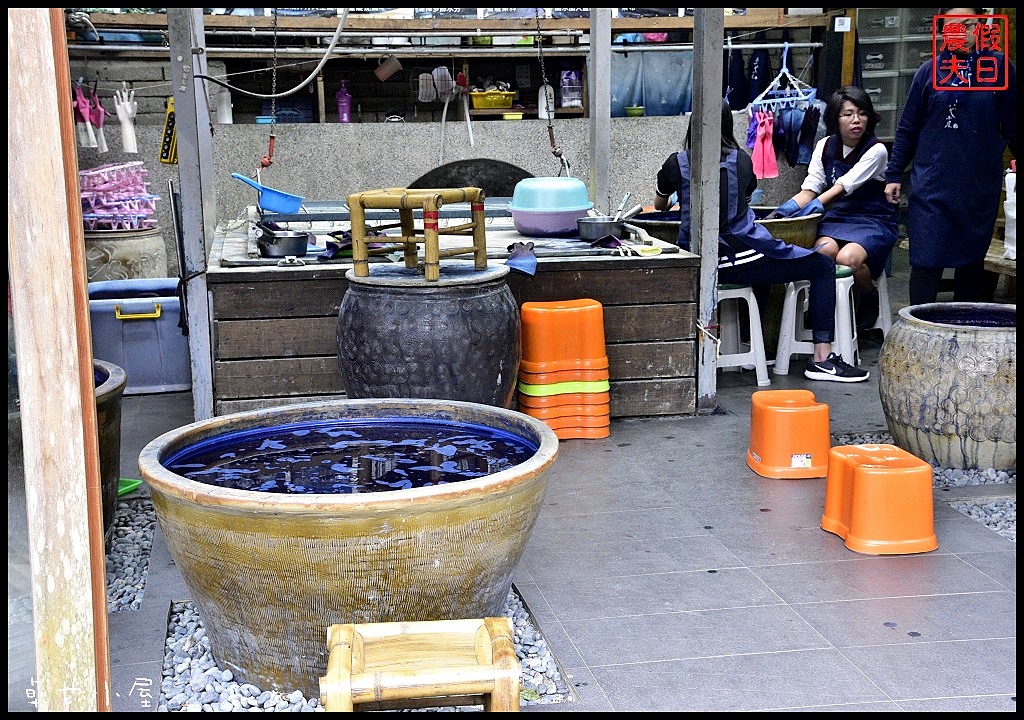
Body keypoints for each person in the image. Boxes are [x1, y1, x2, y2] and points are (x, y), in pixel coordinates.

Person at [653, 100, 869, 383]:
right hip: (739, 257)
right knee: (821, 266)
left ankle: (748, 346)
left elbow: (659, 204)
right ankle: (821, 359)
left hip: (699, 261)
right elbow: (741, 202)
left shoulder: (675, 163)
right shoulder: (740, 160)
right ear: (728, 124)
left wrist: (679, 192)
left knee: (766, 268)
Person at [884, 7, 1017, 305]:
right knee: (926, 262)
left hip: (977, 186)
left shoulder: (1000, 68)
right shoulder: (929, 71)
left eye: (968, 24)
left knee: (970, 268)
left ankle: (962, 341)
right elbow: (907, 129)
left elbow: (1013, 125)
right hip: (932, 185)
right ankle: (919, 339)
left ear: (980, 26)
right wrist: (894, 174)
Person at [771, 86, 899, 329]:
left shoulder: (877, 150)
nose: (856, 120)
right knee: (821, 254)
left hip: (873, 219)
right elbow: (811, 188)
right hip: (838, 217)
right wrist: (784, 211)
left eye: (862, 113)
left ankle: (868, 297)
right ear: (835, 119)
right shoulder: (825, 146)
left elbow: (844, 185)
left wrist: (818, 203)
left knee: (848, 258)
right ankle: (824, 311)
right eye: (848, 114)